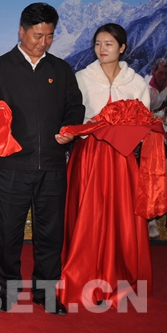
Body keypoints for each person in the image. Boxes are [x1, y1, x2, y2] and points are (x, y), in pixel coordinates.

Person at [0, 2, 84, 315]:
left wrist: (70, 129)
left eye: (50, 36)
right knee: (9, 233)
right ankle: (8, 291)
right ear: (22, 31)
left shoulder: (61, 69)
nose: (43, 42)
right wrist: (2, 140)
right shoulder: (0, 68)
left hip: (53, 165)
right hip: (13, 166)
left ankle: (46, 294)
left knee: (50, 234)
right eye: (38, 35)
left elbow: (75, 106)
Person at [59, 23, 151, 309]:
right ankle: (82, 274)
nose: (102, 49)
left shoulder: (136, 82)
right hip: (89, 155)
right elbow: (71, 113)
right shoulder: (81, 78)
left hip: (122, 159)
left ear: (122, 48)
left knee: (120, 217)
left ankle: (119, 276)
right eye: (98, 43)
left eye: (109, 44)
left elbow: (144, 121)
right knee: (88, 215)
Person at [144, 57, 167, 238]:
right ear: (153, 71)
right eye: (160, 73)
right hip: (144, 132)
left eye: (166, 74)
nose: (163, 77)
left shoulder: (166, 88)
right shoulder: (145, 87)